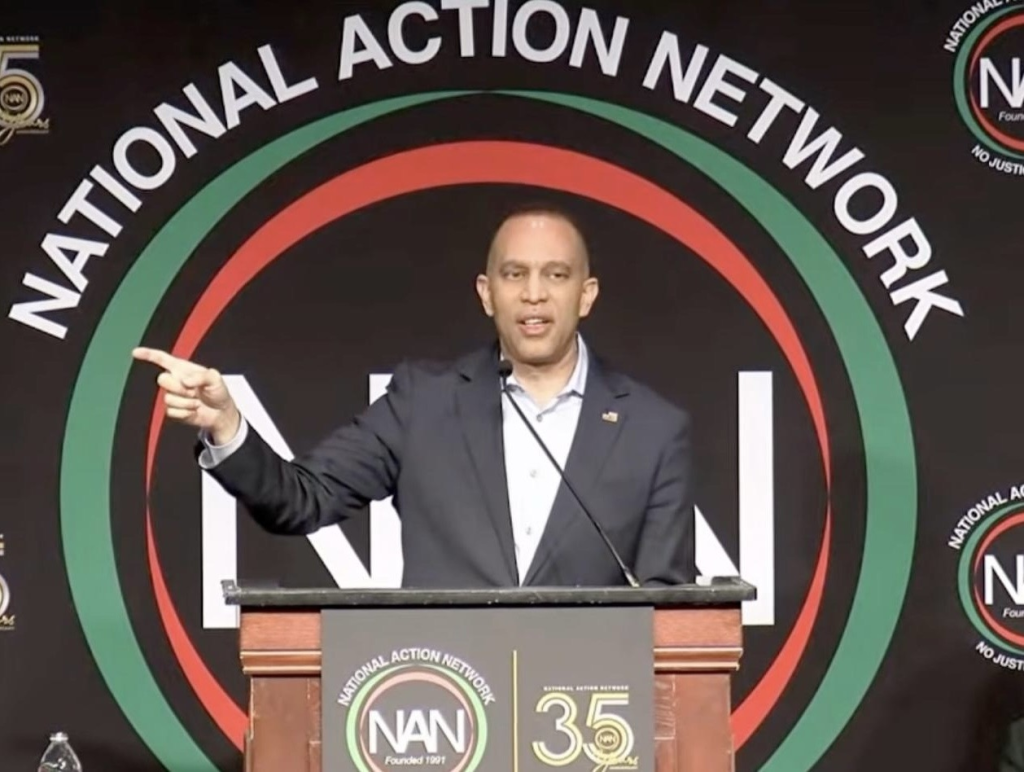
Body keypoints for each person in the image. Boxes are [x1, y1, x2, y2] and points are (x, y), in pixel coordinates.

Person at [132, 203, 695, 588]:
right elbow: (300, 499)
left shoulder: (653, 429)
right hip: (442, 714)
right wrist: (229, 424)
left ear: (586, 294)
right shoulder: (423, 404)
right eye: (515, 274)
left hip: (590, 729)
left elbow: (675, 620)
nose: (533, 295)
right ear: (487, 293)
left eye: (556, 275)